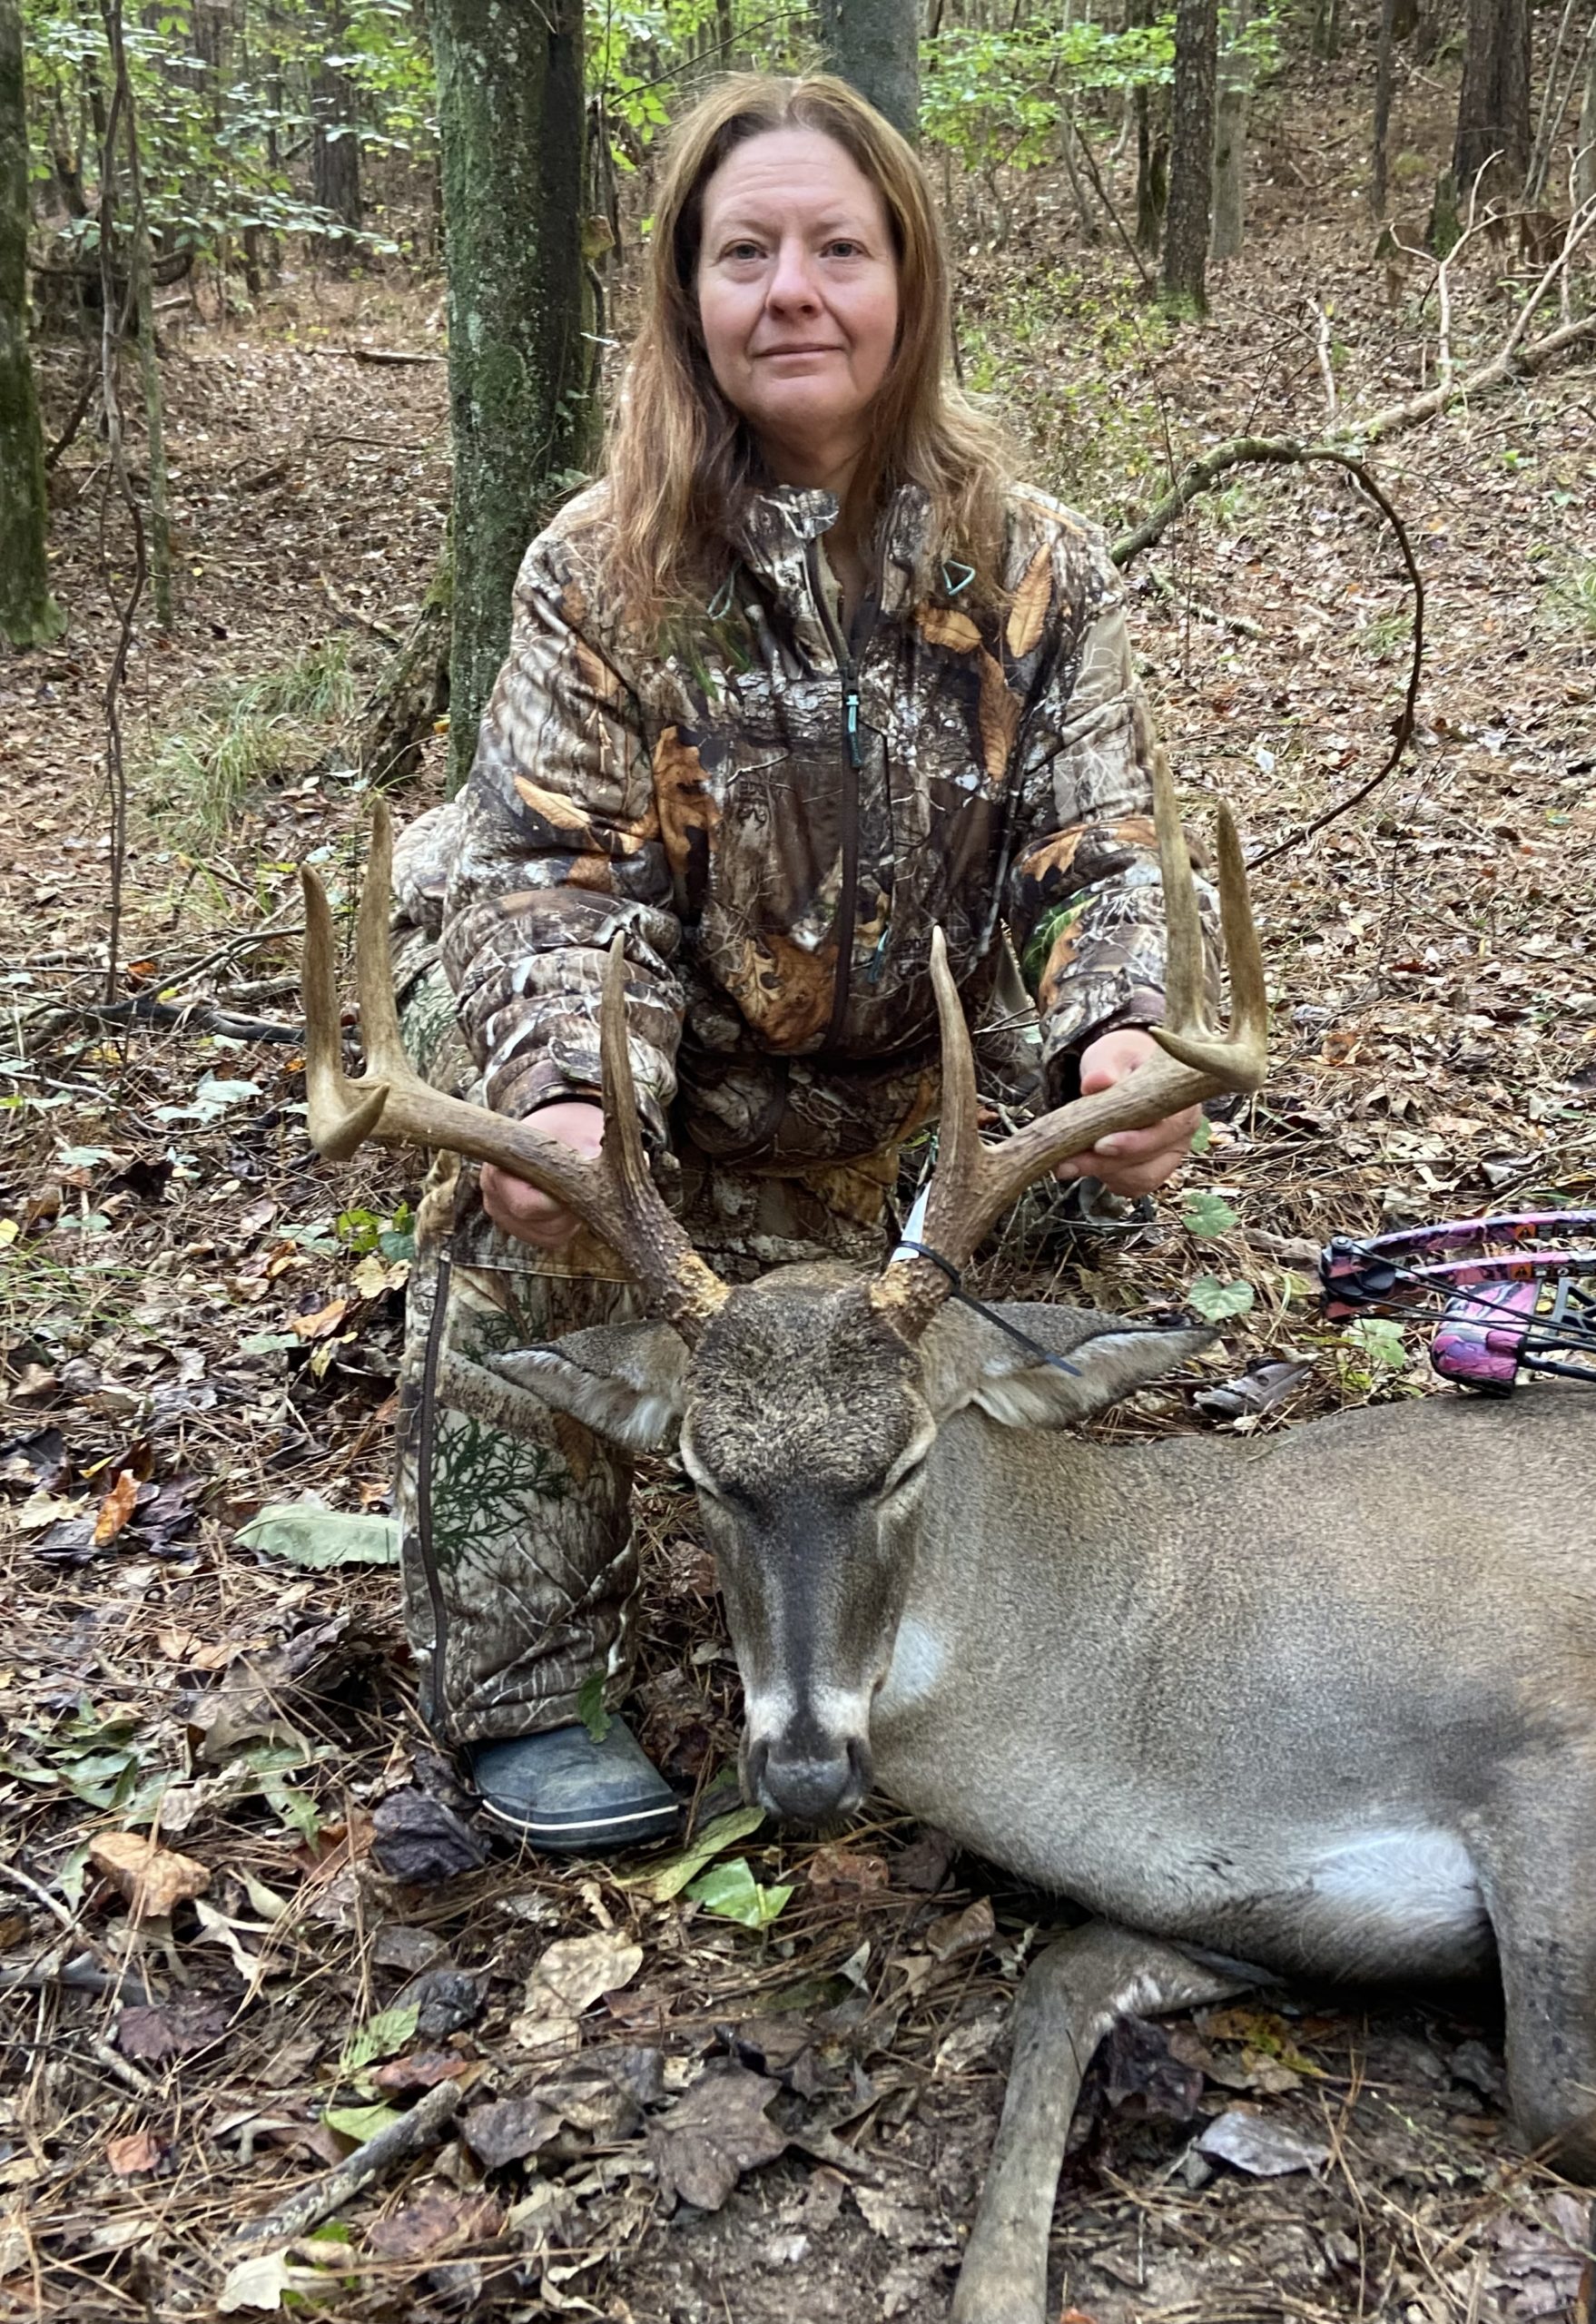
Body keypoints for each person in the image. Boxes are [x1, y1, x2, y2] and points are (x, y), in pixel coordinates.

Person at [386, 72, 1214, 1851]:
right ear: (686, 295)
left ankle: (920, 1614)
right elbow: (549, 871)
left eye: (839, 249)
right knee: (524, 1200)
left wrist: (1121, 1031)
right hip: (676, 1112)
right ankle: (535, 1682)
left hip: (913, 1114)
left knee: (1014, 1286)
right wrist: (563, 1096)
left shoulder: (1033, 566)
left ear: (906, 281)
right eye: (744, 252)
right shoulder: (600, 572)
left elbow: (1096, 844)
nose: (793, 293)